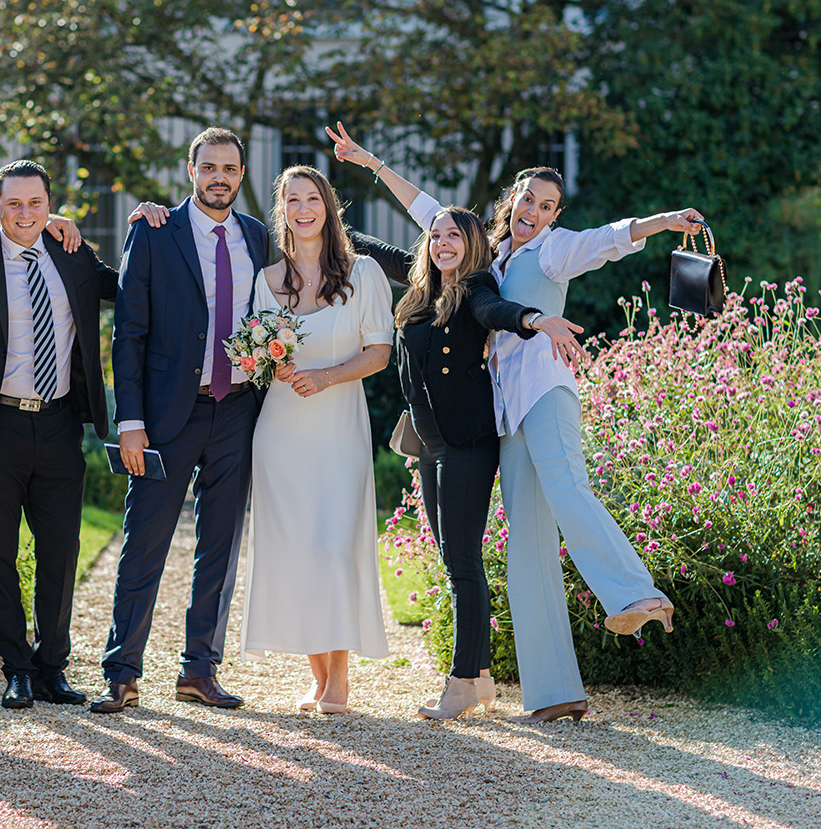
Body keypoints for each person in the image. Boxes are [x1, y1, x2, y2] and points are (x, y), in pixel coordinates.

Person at [329, 123, 703, 724]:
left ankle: (636, 593)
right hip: (504, 413)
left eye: (548, 206)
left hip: (547, 394)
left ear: (555, 216)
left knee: (567, 487)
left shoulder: (552, 250)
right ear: (512, 202)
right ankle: (555, 692)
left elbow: (611, 237)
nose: (536, 211)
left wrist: (663, 223)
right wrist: (369, 162)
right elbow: (426, 207)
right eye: (528, 199)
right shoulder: (488, 253)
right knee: (526, 548)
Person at [326, 125, 585, 720]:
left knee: (463, 562)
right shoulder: (419, 284)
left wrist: (534, 319)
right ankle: (485, 675)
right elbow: (354, 237)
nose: (442, 241)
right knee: (451, 561)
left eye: (453, 236)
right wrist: (360, 173)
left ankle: (463, 681)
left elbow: (497, 310)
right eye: (435, 233)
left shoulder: (474, 288)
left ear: (472, 247)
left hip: (469, 444)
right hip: (429, 443)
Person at [93, 127, 270, 713]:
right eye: (209, 167)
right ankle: (121, 671)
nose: (220, 177)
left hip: (238, 408)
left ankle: (200, 670)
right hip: (169, 413)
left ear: (241, 176)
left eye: (230, 169)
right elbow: (130, 333)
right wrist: (131, 421)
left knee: (219, 545)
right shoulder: (153, 232)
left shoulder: (258, 237)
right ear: (190, 170)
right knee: (144, 541)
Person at [0, 160, 118, 711]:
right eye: (14, 204)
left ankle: (52, 668)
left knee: (61, 552)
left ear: (50, 204)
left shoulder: (72, 254)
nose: (26, 214)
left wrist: (145, 223)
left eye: (37, 203)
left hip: (60, 422)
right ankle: (16, 668)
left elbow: (124, 288)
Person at [236, 165, 394, 713]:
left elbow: (379, 353)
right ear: (283, 211)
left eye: (312, 199)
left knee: (334, 548)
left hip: (338, 427)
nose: (303, 209)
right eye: (292, 201)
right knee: (297, 550)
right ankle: (316, 675)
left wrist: (325, 376)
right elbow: (256, 352)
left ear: (328, 206)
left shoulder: (364, 273)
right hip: (281, 432)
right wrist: (272, 364)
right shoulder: (268, 280)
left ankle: (340, 679)